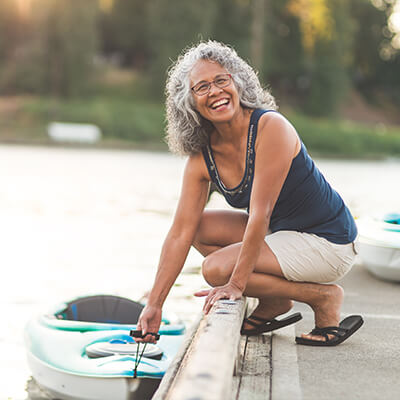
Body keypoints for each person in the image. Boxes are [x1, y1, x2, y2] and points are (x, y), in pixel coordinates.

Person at [136, 40, 363, 347]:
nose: (214, 91)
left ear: (237, 82)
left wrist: (235, 284)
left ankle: (322, 297)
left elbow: (260, 214)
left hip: (328, 241)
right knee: (197, 227)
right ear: (188, 102)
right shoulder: (201, 158)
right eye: (201, 87)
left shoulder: (271, 128)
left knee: (215, 269)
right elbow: (180, 233)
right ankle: (275, 301)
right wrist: (155, 302)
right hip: (282, 233)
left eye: (221, 80)